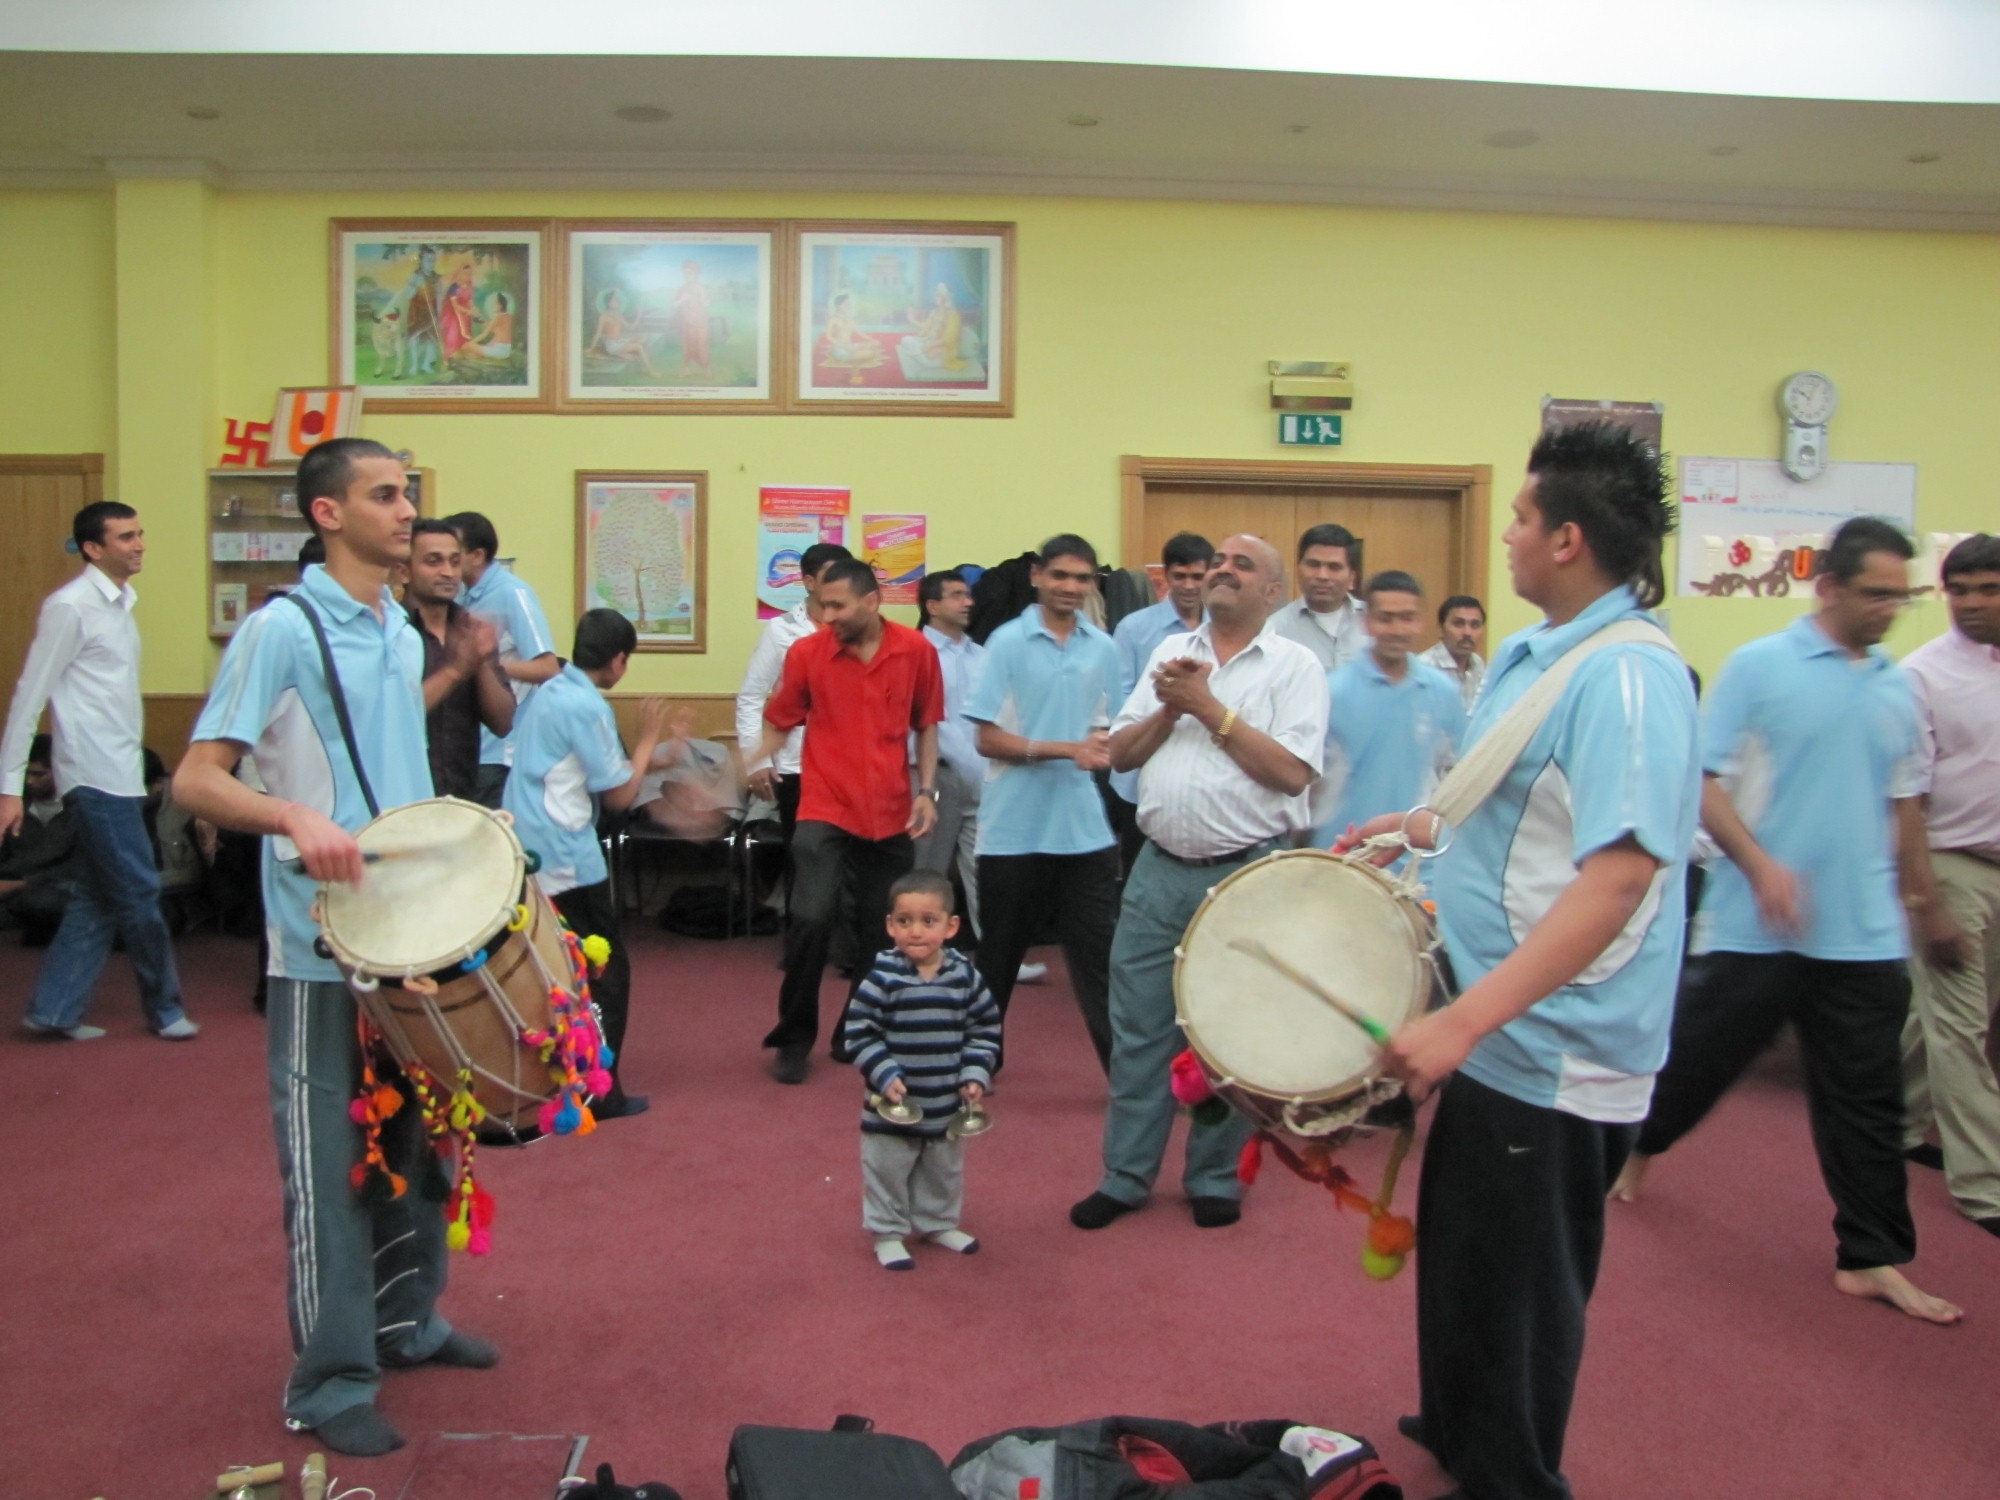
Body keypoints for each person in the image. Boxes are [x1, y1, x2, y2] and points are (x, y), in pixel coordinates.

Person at [1337, 421, 1699, 1500]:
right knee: (1464, 1256)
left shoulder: (1627, 679)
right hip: (1497, 1022)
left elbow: (1617, 877)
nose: (1505, 534)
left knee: (1520, 1289)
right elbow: (1509, 809)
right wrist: (1409, 827)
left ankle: (1510, 1473)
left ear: (1568, 539)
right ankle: (1457, 1421)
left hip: (1546, 1041)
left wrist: (1462, 1020)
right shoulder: (1540, 655)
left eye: (1521, 518)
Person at [172, 437, 496, 1458]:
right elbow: (197, 779)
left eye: (410, 492)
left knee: (418, 1147)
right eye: (387, 496)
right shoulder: (282, 628)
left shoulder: (399, 628)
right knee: (331, 1171)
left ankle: (406, 1322)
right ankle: (329, 1381)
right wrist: (289, 819)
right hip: (319, 948)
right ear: (327, 514)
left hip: (409, 940)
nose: (410, 513)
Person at [1611, 515, 1962, 1327]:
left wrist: (1927, 902)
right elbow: (1704, 782)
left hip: (1862, 932)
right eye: (1875, 593)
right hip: (1755, 926)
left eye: (1900, 597)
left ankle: (1871, 1257)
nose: (1888, 610)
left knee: (1868, 1101)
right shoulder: (1759, 668)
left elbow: (1904, 804)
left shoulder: (1896, 686)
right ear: (1830, 586)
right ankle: (1640, 1144)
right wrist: (1762, 865)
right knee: (1696, 1061)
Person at [1070, 534, 1328, 1233]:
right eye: (1219, 560)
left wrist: (1209, 708)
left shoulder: (1296, 667)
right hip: (1156, 870)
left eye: (1243, 563)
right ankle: (1125, 1176)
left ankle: (1215, 1175)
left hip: (1245, 873)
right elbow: (1118, 754)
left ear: (1273, 592)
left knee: (1228, 1034)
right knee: (1139, 1030)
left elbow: (1292, 774)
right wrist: (1170, 706)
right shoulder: (1167, 655)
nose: (1222, 569)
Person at [2, 500, 195, 1041]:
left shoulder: (120, 603)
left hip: (121, 771)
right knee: (137, 891)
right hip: (93, 775)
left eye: (140, 533)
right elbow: (28, 696)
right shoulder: (70, 607)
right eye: (126, 537)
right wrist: (8, 786)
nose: (139, 545)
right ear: (93, 548)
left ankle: (54, 1010)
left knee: (96, 895)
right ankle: (166, 1008)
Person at [753, 558, 943, 1084]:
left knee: (880, 933)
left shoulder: (917, 651)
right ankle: (792, 1037)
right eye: (821, 604)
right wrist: (746, 764)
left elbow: (927, 725)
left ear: (872, 602)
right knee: (811, 917)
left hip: (891, 811)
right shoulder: (808, 653)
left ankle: (855, 1032)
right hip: (824, 807)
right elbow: (780, 721)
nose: (826, 614)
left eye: (837, 606)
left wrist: (927, 790)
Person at [504, 608, 669, 1121]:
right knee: (605, 968)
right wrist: (646, 741)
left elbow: (583, 768)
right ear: (619, 661)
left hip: (523, 843)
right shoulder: (586, 704)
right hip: (565, 852)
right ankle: (602, 1087)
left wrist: (654, 754)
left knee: (542, 966)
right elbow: (619, 794)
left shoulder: (550, 691)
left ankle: (542, 1070)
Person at [967, 535, 1123, 1071]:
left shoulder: (1104, 648)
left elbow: (1115, 728)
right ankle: (977, 1067)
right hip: (1012, 829)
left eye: (1083, 579)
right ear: (1037, 575)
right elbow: (986, 739)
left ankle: (1125, 1077)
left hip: (1084, 831)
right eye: (1061, 576)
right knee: (998, 961)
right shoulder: (1005, 642)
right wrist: (1065, 748)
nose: (1072, 588)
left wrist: (1108, 742)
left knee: (1100, 962)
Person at [1899, 534, 2000, 1236]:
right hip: (1953, 864)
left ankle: (1898, 1120)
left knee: (1946, 1016)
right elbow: (1905, 796)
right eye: (1957, 589)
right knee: (1962, 1028)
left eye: (1986, 588)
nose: (1970, 603)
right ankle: (1986, 1188)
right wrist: (1924, 896)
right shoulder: (1923, 674)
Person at [843, 869, 1001, 1269]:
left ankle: (936, 1222)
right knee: (887, 1169)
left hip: (946, 1101)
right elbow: (859, 1033)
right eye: (904, 921)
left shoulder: (965, 976)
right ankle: (888, 1232)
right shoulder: (882, 977)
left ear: (951, 927)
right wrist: (884, 1073)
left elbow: (984, 1029)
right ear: (890, 926)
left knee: (943, 1168)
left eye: (928, 922)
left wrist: (974, 1074)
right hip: (892, 1104)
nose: (915, 932)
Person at [1310, 571, 1466, 849]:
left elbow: (1461, 776)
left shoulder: (1443, 692)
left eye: (1407, 618)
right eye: (1386, 618)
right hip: (1342, 855)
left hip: (1416, 862)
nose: (1397, 629)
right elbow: (1311, 787)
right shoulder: (1333, 692)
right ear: (1366, 621)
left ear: (1420, 621)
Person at [736, 541, 855, 897]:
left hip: (851, 763)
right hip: (796, 763)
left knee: (850, 858)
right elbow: (752, 696)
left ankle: (843, 944)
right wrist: (754, 760)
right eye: (829, 577)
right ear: (807, 582)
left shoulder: (858, 630)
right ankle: (804, 940)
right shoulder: (782, 631)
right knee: (804, 855)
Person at [1107, 532, 1212, 868]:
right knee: (1141, 873)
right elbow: (1117, 699)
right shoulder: (1134, 628)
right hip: (1139, 775)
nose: (1189, 585)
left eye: (1197, 576)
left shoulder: (1224, 629)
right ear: (1165, 576)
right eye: (1180, 576)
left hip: (1203, 769)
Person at [446, 510, 560, 808]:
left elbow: (549, 668)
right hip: (465, 746)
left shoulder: (513, 593)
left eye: (454, 553)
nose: (448, 563)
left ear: (477, 555)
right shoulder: (458, 595)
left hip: (501, 752)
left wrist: (487, 662)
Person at [403, 518, 514, 802]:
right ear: (404, 571)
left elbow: (503, 723)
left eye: (454, 562)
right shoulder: (391, 630)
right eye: (433, 561)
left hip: (462, 799)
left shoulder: (470, 628)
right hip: (403, 802)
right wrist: (454, 671)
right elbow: (395, 716)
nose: (448, 572)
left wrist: (478, 664)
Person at [911, 569, 988, 938]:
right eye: (957, 595)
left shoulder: (984, 655)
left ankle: (996, 958)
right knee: (928, 872)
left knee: (984, 870)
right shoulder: (911, 653)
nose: (968, 601)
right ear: (932, 606)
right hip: (934, 778)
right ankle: (917, 952)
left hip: (985, 778)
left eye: (967, 594)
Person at [0, 734, 77, 945]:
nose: (29, 781)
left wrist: (22, 883)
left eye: (38, 774)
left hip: (60, 887)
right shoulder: (12, 805)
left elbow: (82, 865)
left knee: (44, 900)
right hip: (13, 889)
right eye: (25, 774)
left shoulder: (81, 808)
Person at [1271, 522, 1367, 672]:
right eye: (1313, 565)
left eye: (1334, 567)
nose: (1322, 576)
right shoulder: (1276, 629)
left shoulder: (1376, 621)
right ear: (1298, 569)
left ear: (1352, 577)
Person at [1422, 594, 1488, 712]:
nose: (1467, 632)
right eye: (1458, 624)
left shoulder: (1478, 664)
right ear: (1441, 629)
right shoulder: (1424, 668)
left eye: (1475, 625)